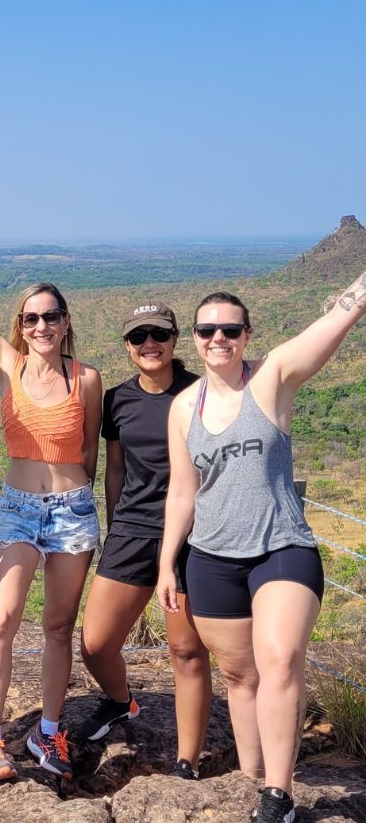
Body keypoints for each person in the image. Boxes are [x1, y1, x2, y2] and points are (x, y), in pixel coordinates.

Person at [157, 269, 366, 823]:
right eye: (206, 330)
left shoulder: (271, 380)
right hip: (212, 556)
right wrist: (166, 565)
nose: (218, 339)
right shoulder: (186, 407)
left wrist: (362, 286)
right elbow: (182, 491)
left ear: (248, 335)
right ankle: (252, 781)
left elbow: (335, 322)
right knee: (238, 675)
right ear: (195, 339)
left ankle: (279, 793)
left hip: (282, 545)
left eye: (230, 329)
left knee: (279, 659)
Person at [0, 190, 102, 784]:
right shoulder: (9, 364)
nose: (40, 326)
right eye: (30, 318)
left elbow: (86, 454)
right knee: (2, 618)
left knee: (58, 627)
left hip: (73, 510)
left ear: (65, 324)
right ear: (21, 325)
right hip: (17, 508)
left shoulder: (85, 378)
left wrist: (77, 495)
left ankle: (50, 729)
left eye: (51, 317)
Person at [78, 300, 212, 778]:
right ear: (128, 347)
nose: (149, 344)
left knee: (185, 650)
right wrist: (117, 526)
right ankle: (120, 702)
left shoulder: (203, 392)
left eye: (159, 334)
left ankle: (187, 759)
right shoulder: (118, 400)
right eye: (138, 337)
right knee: (94, 644)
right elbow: (115, 469)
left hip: (196, 534)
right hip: (133, 530)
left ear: (176, 339)